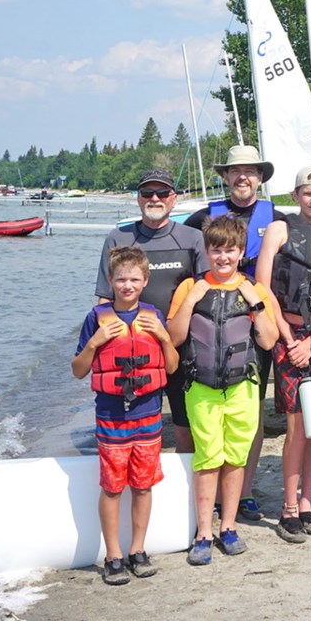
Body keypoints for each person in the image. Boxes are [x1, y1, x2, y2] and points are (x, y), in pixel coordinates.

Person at [166, 216, 279, 565]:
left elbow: (269, 339)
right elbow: (174, 337)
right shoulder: (190, 287)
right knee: (207, 458)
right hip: (201, 388)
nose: (223, 258)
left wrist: (255, 304)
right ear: (207, 251)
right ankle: (203, 532)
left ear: (241, 252)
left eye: (230, 251)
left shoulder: (253, 289)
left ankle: (228, 527)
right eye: (216, 251)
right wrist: (190, 301)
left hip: (242, 387)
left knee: (234, 458)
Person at [185, 145, 284, 523]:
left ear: (260, 177)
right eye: (236, 171)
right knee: (207, 413)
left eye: (251, 171)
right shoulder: (201, 218)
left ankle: (243, 493)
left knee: (251, 415)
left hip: (254, 319)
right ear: (225, 177)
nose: (243, 177)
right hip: (211, 323)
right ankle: (209, 495)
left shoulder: (276, 217)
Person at [72, 246, 180, 585]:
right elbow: (78, 371)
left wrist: (164, 337)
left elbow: (172, 366)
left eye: (134, 279)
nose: (128, 285)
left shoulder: (154, 316)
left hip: (148, 414)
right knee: (113, 487)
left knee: (144, 486)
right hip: (111, 416)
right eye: (121, 279)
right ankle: (113, 555)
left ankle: (138, 549)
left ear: (145, 281)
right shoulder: (96, 319)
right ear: (111, 281)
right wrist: (95, 342)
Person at [255, 165, 311, 544]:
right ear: (296, 195)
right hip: (287, 336)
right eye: (308, 193)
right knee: (296, 428)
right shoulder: (280, 230)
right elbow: (263, 288)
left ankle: (308, 504)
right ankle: (288, 508)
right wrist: (290, 337)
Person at [95, 169, 207, 455]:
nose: (154, 198)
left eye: (162, 193)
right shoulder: (118, 237)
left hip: (181, 348)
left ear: (174, 199)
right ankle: (139, 487)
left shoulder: (193, 238)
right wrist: (104, 352)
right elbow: (103, 301)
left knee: (184, 424)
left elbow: (206, 295)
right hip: (133, 351)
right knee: (135, 424)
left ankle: (187, 491)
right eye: (147, 193)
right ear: (138, 199)